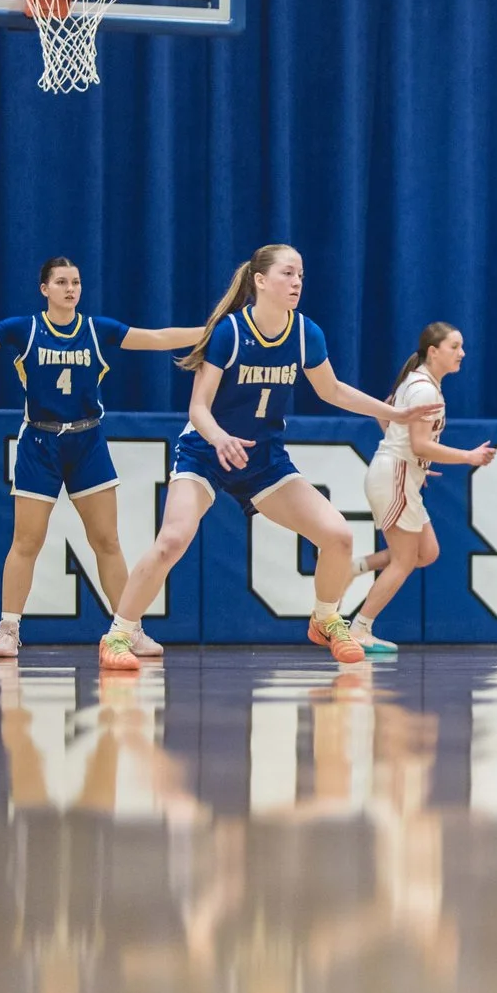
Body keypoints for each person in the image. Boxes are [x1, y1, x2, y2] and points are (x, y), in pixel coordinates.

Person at [96, 244, 435, 673]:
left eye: (301, 275)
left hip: (264, 459)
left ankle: (326, 618)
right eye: (288, 274)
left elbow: (332, 390)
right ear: (260, 280)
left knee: (339, 537)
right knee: (173, 540)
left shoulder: (305, 333)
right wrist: (219, 438)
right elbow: (198, 408)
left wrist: (395, 413)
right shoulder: (229, 332)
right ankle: (120, 633)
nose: (297, 282)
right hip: (206, 450)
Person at [0, 259, 203, 660]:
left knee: (107, 541)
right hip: (39, 444)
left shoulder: (97, 330)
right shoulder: (25, 328)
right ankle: (8, 629)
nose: (71, 288)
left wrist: (212, 332)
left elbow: (158, 338)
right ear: (44, 289)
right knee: (26, 541)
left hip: (87, 442)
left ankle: (128, 629)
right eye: (62, 282)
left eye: (76, 282)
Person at [348, 323, 497, 656]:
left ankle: (352, 567)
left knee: (426, 552)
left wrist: (412, 461)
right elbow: (418, 444)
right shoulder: (425, 389)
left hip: (398, 475)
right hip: (394, 476)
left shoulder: (417, 381)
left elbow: (385, 411)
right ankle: (359, 629)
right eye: (455, 346)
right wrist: (468, 456)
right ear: (434, 351)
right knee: (403, 561)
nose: (462, 353)